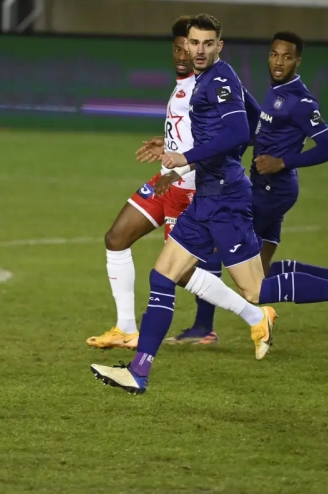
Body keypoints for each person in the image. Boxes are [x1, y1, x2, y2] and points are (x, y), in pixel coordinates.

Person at [91, 14, 328, 395]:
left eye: (207, 44)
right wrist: (177, 150)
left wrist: (187, 157)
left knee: (256, 291)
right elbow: (247, 122)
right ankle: (138, 372)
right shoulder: (207, 80)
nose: (199, 50)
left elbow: (238, 131)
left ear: (218, 47)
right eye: (194, 43)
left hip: (226, 199)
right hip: (209, 195)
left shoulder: (221, 79)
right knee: (162, 277)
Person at [164, 31, 328, 345]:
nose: (279, 62)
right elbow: (252, 133)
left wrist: (283, 162)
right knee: (261, 272)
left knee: (212, 247)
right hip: (265, 188)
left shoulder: (300, 100)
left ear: (298, 60)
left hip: (270, 191)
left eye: (287, 56)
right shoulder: (275, 92)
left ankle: (203, 327)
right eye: (274, 54)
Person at [85, 16, 208, 350]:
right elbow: (189, 136)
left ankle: (256, 315)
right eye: (177, 47)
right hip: (167, 179)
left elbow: (222, 143)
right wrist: (166, 145)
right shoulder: (183, 85)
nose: (182, 54)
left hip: (189, 188)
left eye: (189, 47)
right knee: (116, 237)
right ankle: (126, 328)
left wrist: (178, 169)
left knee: (179, 273)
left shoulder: (205, 89)